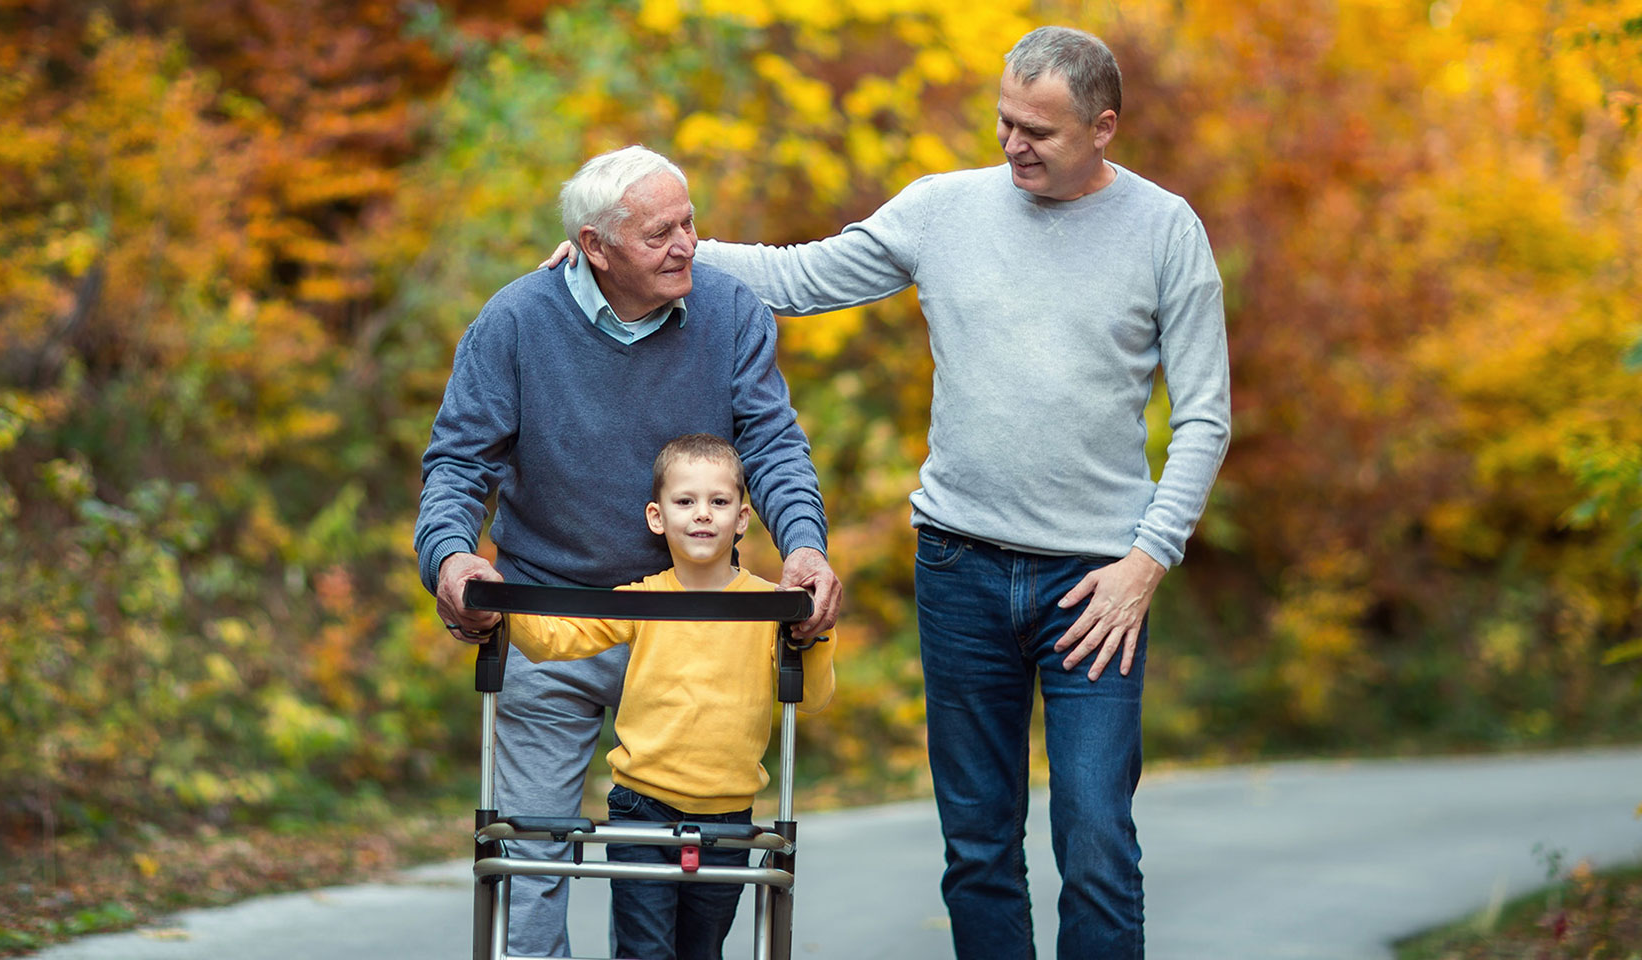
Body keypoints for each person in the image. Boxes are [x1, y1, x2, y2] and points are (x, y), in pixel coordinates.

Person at [546, 24, 1230, 959]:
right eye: (1004, 122)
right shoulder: (943, 209)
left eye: (1041, 131)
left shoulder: (1164, 229)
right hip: (961, 567)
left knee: (1098, 838)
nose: (1014, 145)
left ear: (1104, 127)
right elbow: (799, 276)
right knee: (979, 844)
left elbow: (1204, 418)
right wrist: (636, 251)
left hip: (1097, 584)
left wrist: (1147, 563)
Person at [415, 145, 842, 958]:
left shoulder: (731, 313)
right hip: (558, 616)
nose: (687, 244)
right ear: (594, 246)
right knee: (531, 853)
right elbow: (459, 463)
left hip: (698, 630)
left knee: (700, 873)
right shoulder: (513, 322)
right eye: (660, 234)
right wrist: (452, 558)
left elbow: (775, 447)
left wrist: (805, 548)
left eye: (688, 221)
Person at [497, 433, 836, 960]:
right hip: (642, 807)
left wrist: (813, 634)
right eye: (686, 501)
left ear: (743, 518)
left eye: (719, 502)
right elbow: (555, 639)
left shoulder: (771, 605)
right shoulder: (644, 599)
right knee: (645, 949)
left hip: (729, 814)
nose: (703, 514)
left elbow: (812, 696)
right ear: (658, 517)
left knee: (702, 950)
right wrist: (499, 602)